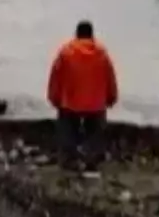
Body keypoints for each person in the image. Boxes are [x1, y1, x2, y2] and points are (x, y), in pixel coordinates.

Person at [47, 20, 119, 178]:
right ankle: (91, 160)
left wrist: (54, 98)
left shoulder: (65, 52)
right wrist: (112, 98)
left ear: (76, 34)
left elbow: (55, 77)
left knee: (67, 128)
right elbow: (110, 78)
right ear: (92, 35)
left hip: (70, 101)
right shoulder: (102, 53)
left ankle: (69, 160)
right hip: (95, 103)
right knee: (95, 131)